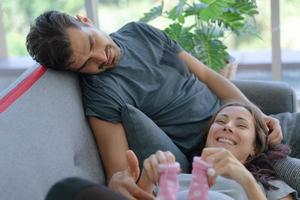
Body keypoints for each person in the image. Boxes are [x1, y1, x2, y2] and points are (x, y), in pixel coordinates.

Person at [26, 10, 300, 199]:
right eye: (85, 64)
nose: (101, 57)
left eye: (91, 42)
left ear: (85, 20)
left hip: (241, 121)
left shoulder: (140, 32)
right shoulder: (101, 93)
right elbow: (122, 171)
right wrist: (118, 182)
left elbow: (205, 75)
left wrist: (257, 115)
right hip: (227, 147)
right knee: (281, 171)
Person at [136, 102, 298, 200]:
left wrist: (246, 180)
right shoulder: (173, 179)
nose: (227, 126)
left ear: (253, 149)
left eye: (241, 125)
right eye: (221, 121)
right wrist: (146, 180)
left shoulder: (268, 185)